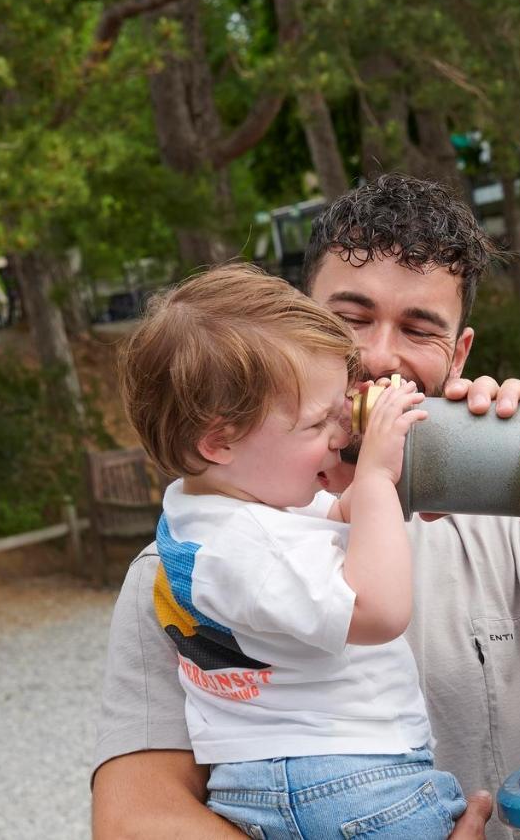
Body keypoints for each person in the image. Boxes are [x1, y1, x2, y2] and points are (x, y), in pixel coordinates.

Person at [93, 174, 520, 840]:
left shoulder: (518, 523)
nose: (377, 357)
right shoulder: (181, 566)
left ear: (458, 355)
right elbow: (137, 819)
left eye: (419, 327)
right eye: (349, 320)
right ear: (297, 327)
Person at [117, 263, 466, 837]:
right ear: (219, 441)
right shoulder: (241, 549)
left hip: (293, 778)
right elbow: (378, 611)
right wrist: (375, 476)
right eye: (316, 424)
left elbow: (334, 518)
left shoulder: (217, 509)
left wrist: (397, 465)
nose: (339, 434)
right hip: (339, 782)